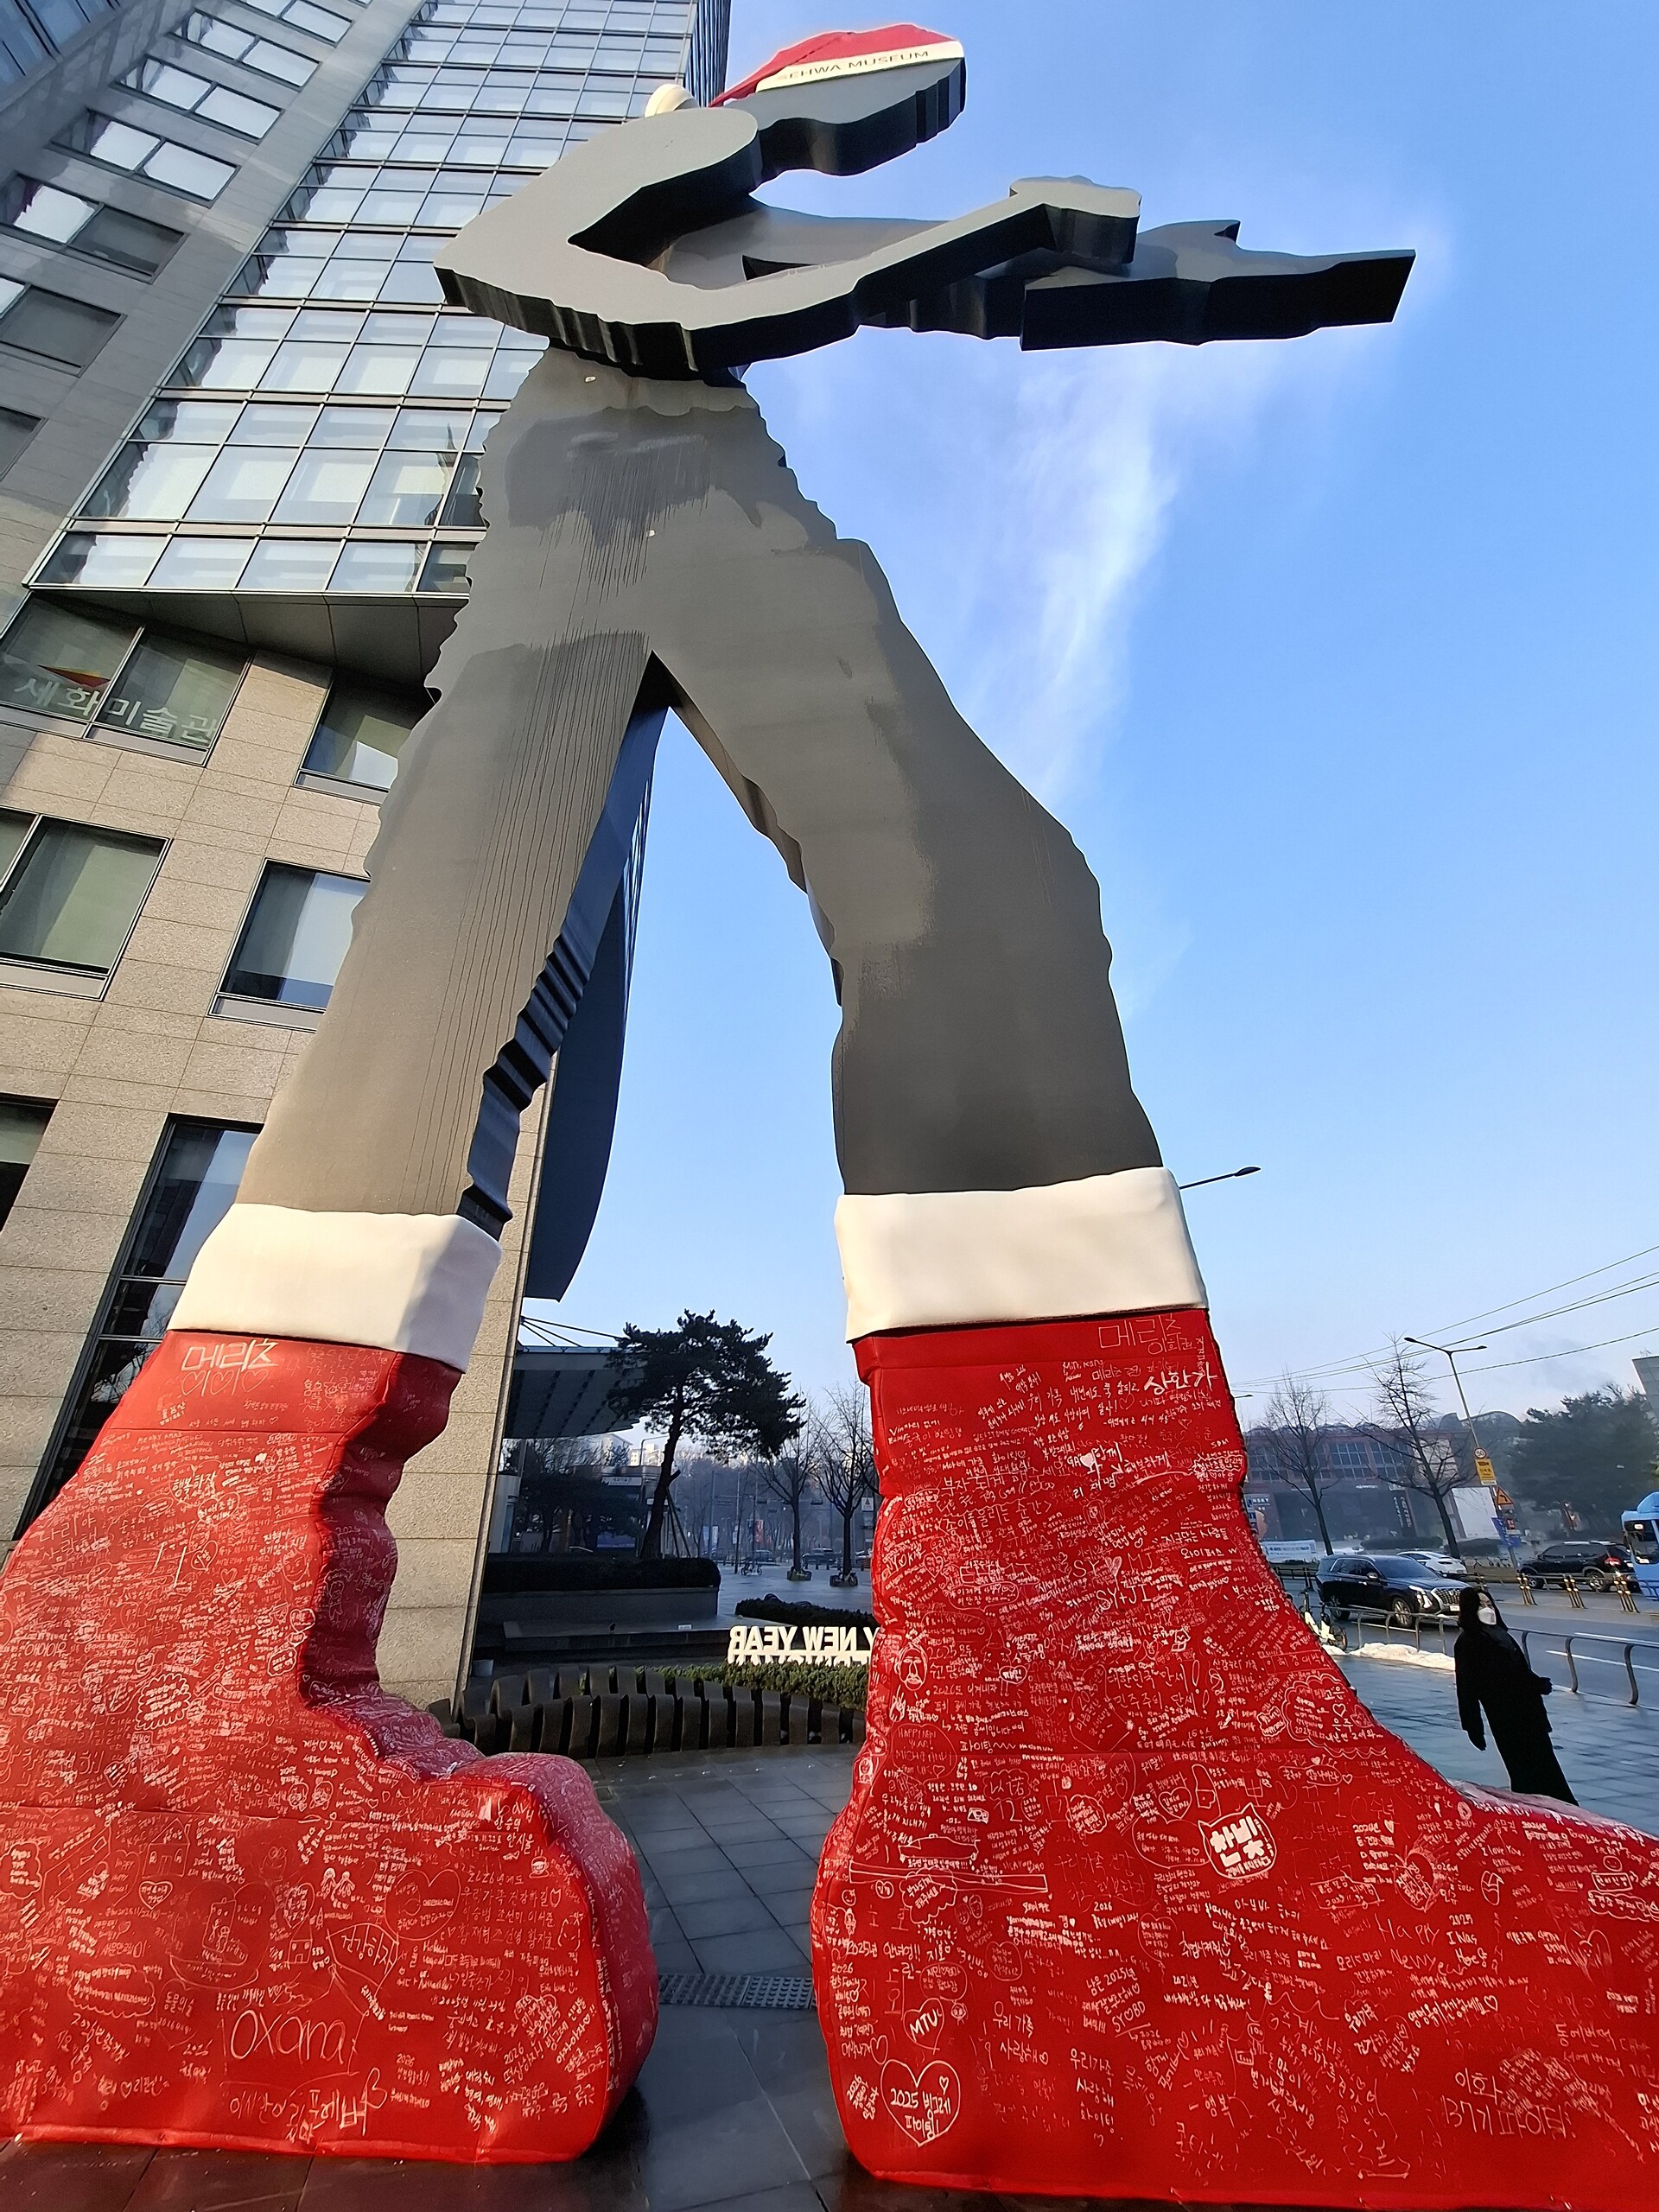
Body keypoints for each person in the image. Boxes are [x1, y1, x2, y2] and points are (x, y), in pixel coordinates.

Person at [1455, 1585, 1577, 1802]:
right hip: (1505, 1716)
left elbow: (1519, 1671)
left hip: (1530, 1713)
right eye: (1481, 1605)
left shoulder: (1502, 1635)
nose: (1488, 1609)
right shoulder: (1467, 1642)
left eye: (1489, 1604)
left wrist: (1537, 1684)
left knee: (1547, 1765)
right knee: (1522, 1769)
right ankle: (1534, 1808)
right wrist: (1473, 1726)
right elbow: (1466, 1688)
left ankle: (1564, 1806)